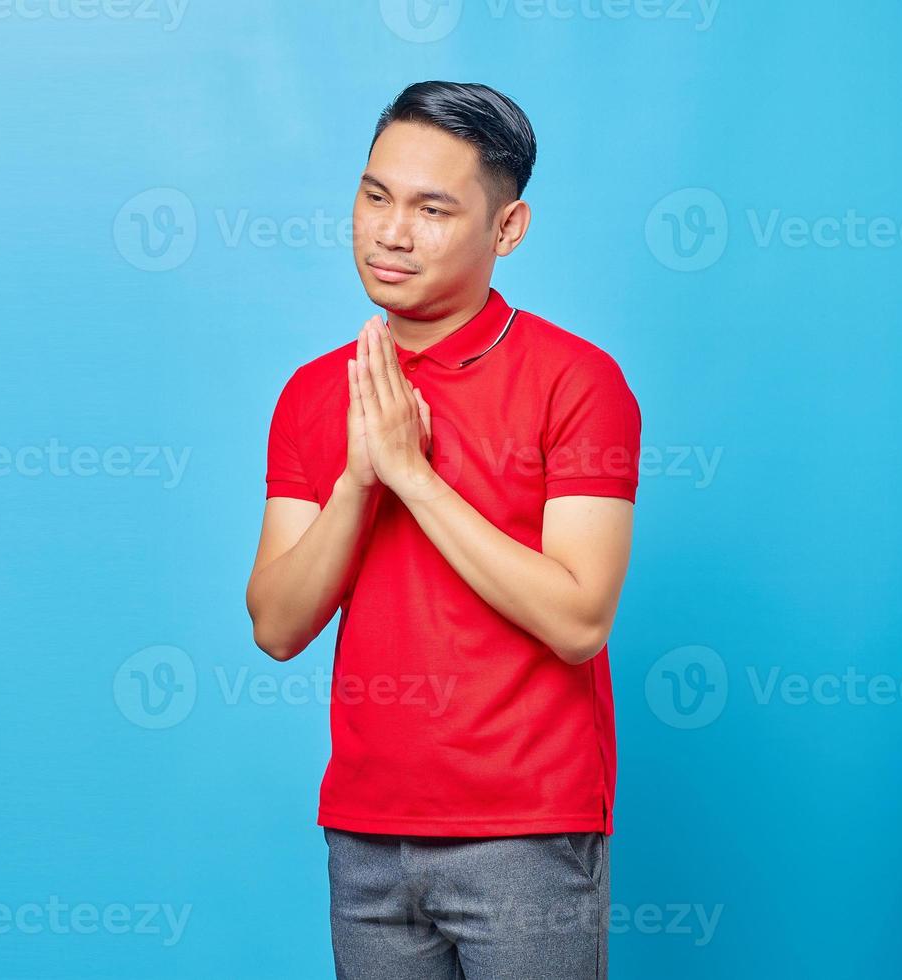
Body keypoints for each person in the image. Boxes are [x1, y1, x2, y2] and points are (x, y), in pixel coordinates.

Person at [245, 81, 642, 980]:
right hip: (365, 832)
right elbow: (275, 624)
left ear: (507, 231)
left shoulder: (578, 382)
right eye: (375, 195)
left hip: (525, 831)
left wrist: (415, 479)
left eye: (432, 209)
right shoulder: (317, 391)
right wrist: (359, 477)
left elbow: (580, 618)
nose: (390, 232)